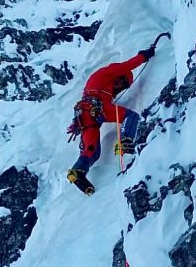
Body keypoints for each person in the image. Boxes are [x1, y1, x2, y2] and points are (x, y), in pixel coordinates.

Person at [67, 45, 156, 194]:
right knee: (131, 116)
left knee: (92, 151)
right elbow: (127, 65)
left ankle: (78, 171)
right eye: (123, 84)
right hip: (95, 108)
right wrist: (144, 56)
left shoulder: (99, 84)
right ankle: (125, 143)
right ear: (121, 77)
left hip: (85, 116)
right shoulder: (108, 72)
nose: (120, 88)